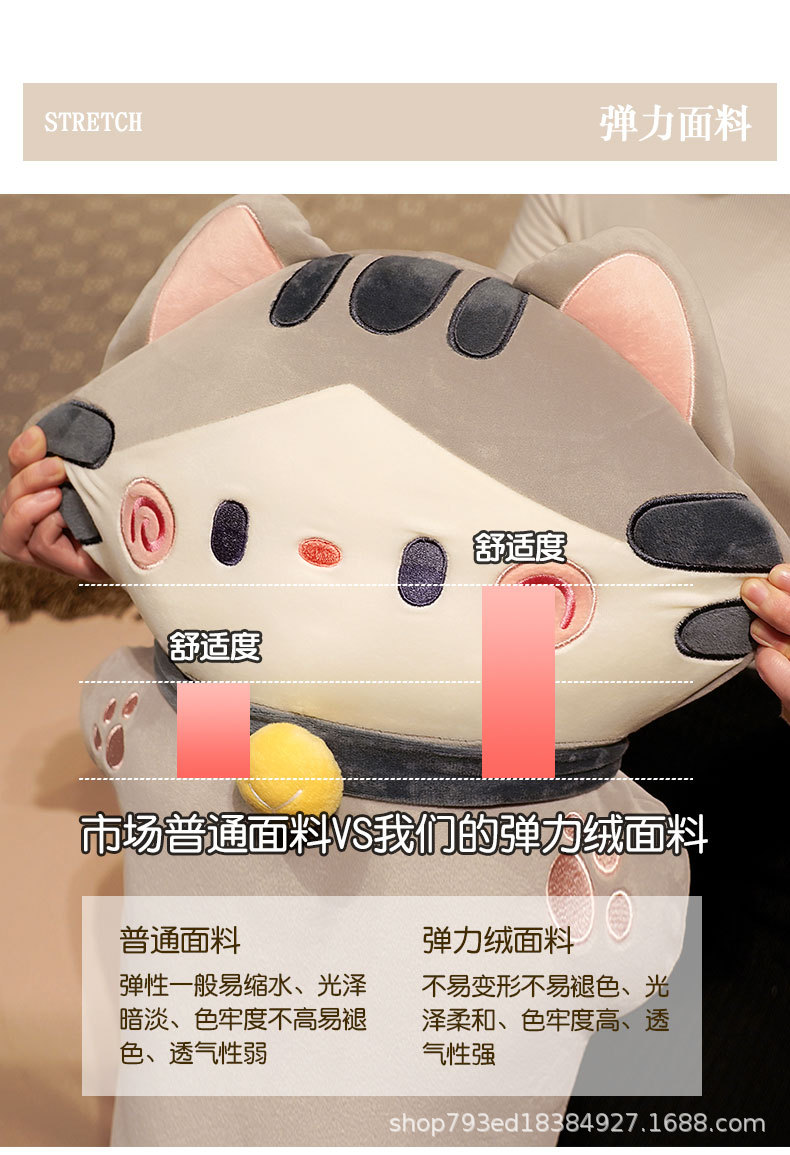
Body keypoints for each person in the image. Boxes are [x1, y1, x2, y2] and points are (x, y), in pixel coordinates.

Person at [499, 193, 790, 717]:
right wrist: (515, 729)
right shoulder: (594, 181)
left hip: (759, 688)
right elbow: (510, 463)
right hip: (550, 649)